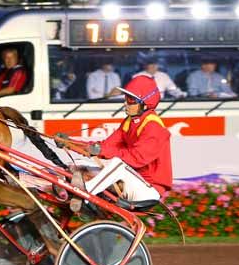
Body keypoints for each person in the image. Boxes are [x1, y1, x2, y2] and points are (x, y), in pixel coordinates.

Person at [58, 75, 172, 203]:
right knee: (76, 165)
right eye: (126, 98)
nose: (125, 103)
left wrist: (99, 150)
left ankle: (85, 193)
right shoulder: (129, 122)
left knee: (117, 164)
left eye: (130, 100)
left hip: (149, 190)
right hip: (132, 181)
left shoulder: (154, 127)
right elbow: (105, 146)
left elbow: (135, 158)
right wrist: (69, 143)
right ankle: (65, 194)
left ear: (144, 103)